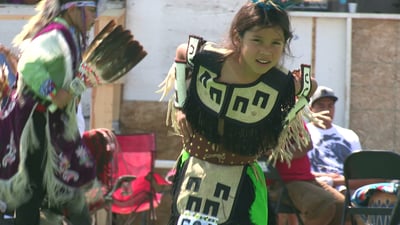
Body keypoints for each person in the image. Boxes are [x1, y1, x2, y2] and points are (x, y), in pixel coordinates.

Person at [158, 1, 318, 224]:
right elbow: (183, 52)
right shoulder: (211, 60)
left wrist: (288, 112)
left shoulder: (280, 84)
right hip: (195, 171)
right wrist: (180, 107)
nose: (266, 51)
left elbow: (310, 86)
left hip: (242, 179)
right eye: (257, 40)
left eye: (276, 43)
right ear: (238, 37)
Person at [0, 0, 99, 225]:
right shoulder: (57, 34)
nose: (95, 18)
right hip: (37, 127)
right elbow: (28, 65)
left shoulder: (67, 35)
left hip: (50, 126)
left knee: (43, 193)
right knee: (36, 193)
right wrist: (53, 93)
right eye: (92, 11)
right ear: (74, 9)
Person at [268, 123, 351, 225]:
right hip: (283, 183)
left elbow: (307, 144)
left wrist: (284, 152)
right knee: (323, 203)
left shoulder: (295, 116)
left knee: (342, 206)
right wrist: (291, 150)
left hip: (308, 179)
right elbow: (267, 151)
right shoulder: (270, 119)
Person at [306, 85, 362, 192]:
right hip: (316, 187)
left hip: (347, 189)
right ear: (311, 109)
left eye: (330, 106)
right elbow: (298, 171)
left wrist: (335, 181)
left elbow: (359, 174)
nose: (327, 110)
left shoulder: (349, 135)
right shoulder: (303, 133)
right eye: (321, 106)